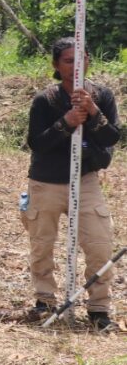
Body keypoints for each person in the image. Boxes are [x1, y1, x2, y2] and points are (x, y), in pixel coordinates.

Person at [24, 36, 119, 330]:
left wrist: (92, 112)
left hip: (86, 181)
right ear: (56, 65)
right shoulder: (45, 100)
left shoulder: (101, 96)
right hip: (47, 182)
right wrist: (65, 122)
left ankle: (99, 308)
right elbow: (36, 144)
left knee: (100, 243)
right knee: (43, 244)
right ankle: (45, 302)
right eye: (68, 60)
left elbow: (112, 138)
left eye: (82, 59)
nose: (76, 65)